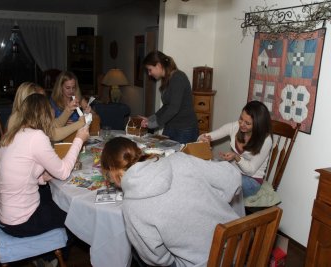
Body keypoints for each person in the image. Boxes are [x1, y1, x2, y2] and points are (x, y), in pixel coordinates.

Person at [100, 137, 241, 267]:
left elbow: (156, 258)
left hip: (203, 263)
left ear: (113, 171)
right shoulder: (180, 159)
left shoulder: (131, 207)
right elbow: (232, 179)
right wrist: (209, 201)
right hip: (240, 245)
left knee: (137, 254)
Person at [0, 93, 89, 238]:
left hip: (3, 215)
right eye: (50, 110)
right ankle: (52, 256)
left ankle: (48, 256)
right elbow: (63, 172)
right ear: (45, 113)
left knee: (54, 196)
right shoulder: (36, 137)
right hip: (20, 222)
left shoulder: (14, 133)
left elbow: (19, 173)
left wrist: (42, 178)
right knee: (74, 213)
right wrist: (79, 139)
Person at [198, 100, 272, 197]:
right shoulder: (234, 127)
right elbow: (205, 136)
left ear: (258, 125)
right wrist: (203, 139)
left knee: (217, 182)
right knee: (208, 171)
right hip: (234, 172)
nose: (242, 124)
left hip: (251, 181)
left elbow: (250, 170)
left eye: (247, 123)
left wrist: (236, 157)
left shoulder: (266, 140)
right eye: (241, 119)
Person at [139, 51, 198, 144]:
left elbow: (173, 108)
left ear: (158, 65)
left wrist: (153, 124)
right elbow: (166, 106)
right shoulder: (167, 79)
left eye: (150, 69)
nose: (149, 73)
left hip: (185, 129)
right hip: (171, 126)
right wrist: (150, 119)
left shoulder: (178, 77)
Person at [7, 82, 86, 141]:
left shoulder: (28, 115)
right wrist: (80, 123)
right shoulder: (17, 119)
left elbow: (54, 124)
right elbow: (54, 134)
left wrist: (68, 110)